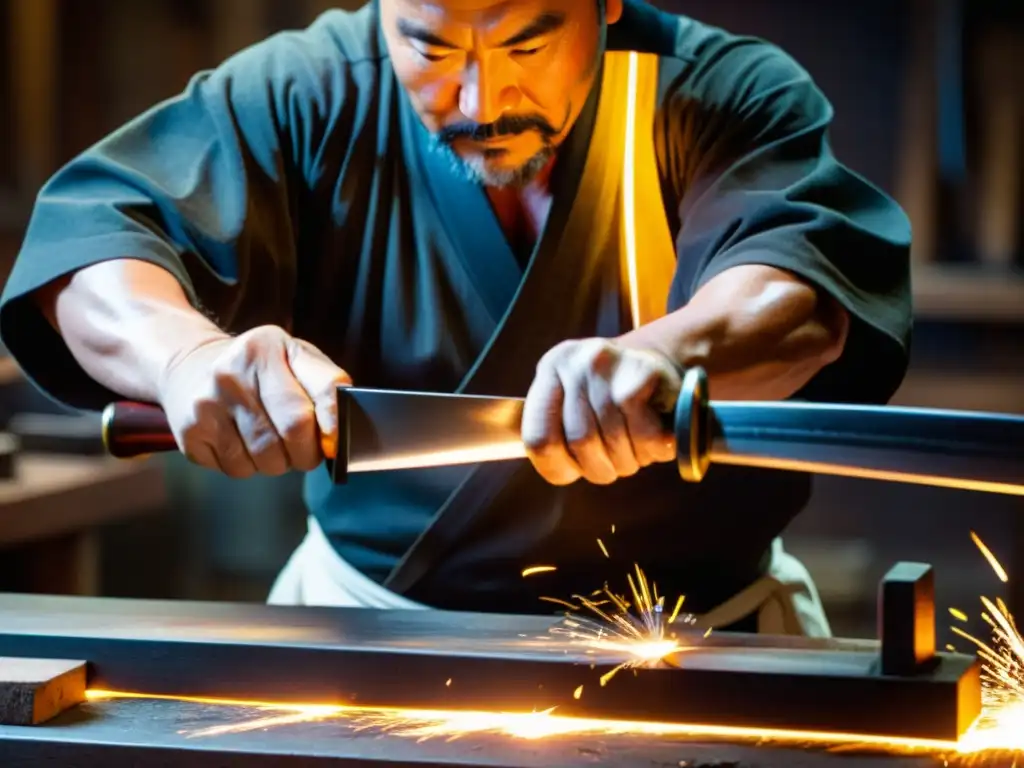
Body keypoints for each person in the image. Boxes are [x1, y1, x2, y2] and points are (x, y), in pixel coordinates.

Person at [0, 0, 911, 635]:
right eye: (432, 51)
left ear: (604, 5)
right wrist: (186, 357)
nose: (481, 103)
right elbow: (92, 242)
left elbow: (802, 290)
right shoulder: (309, 93)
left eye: (525, 45)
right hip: (362, 633)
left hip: (709, 643)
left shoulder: (719, 94)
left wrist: (667, 357)